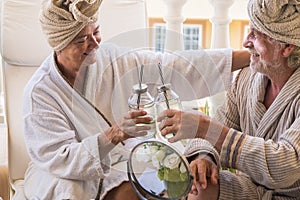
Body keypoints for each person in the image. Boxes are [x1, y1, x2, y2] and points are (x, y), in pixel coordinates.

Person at [22, 0, 250, 199]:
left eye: (96, 32)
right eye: (82, 40)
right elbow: (61, 158)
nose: (95, 44)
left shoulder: (112, 59)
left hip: (122, 161)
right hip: (65, 173)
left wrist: (250, 57)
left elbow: (172, 67)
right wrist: (113, 134)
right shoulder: (40, 94)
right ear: (60, 45)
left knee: (148, 188)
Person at [158, 0, 300, 199]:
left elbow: (286, 166)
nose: (246, 42)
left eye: (256, 35)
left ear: (286, 47)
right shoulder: (247, 77)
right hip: (248, 188)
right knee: (199, 184)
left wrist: (205, 128)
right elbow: (224, 122)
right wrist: (204, 156)